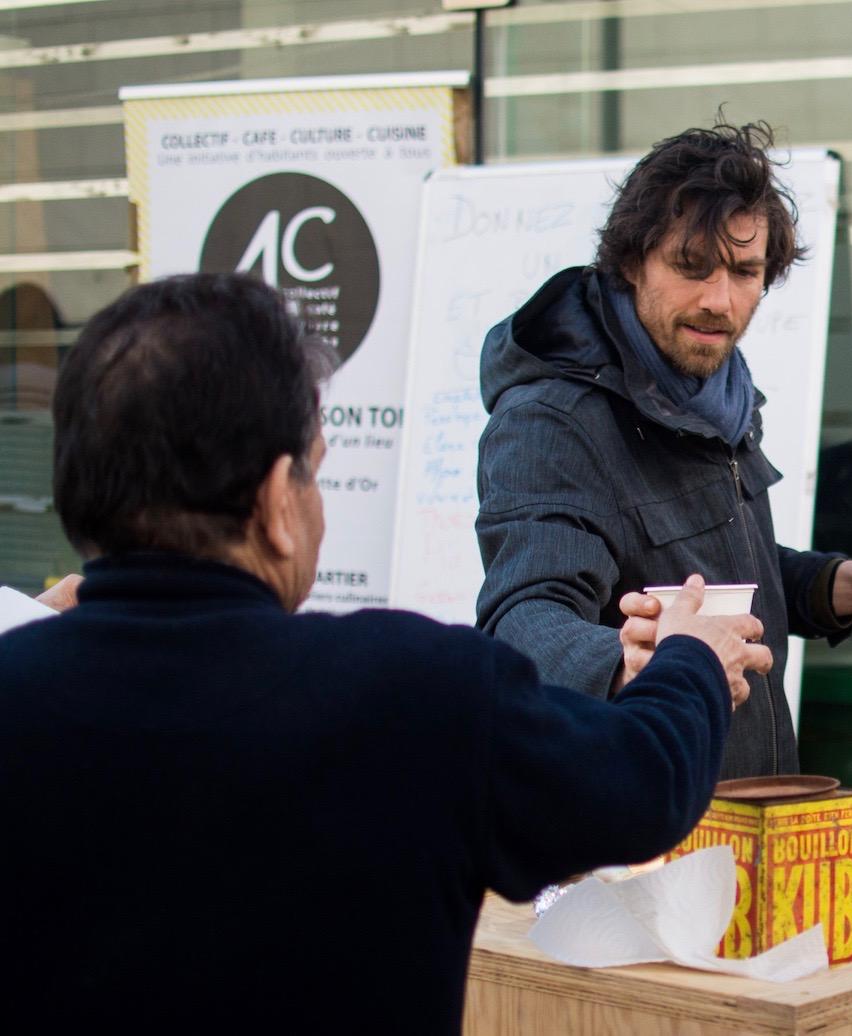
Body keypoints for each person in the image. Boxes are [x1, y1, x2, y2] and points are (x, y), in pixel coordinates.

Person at [0, 274, 769, 1032]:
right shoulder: (412, 692)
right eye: (316, 470)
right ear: (276, 503)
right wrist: (690, 660)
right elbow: (638, 788)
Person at [476, 120, 852, 778]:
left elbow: (727, 568)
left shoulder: (714, 392)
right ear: (630, 260)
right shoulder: (553, 419)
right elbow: (521, 619)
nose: (719, 300)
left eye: (744, 272)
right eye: (690, 266)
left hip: (750, 809)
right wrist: (633, 658)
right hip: (639, 833)